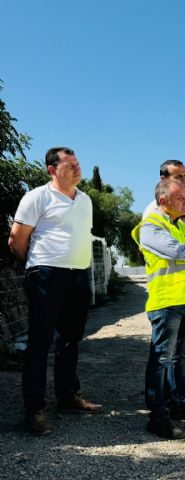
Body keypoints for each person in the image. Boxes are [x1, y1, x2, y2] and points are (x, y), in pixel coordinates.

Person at [8, 147, 102, 435]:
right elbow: (17, 240)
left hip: (79, 275)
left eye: (78, 163)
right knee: (40, 342)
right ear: (52, 169)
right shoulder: (38, 197)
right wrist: (38, 266)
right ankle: (34, 411)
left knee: (71, 339)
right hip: (46, 275)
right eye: (69, 165)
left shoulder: (85, 200)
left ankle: (68, 396)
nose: (77, 169)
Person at [132, 178, 185, 439]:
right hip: (167, 302)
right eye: (180, 198)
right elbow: (176, 251)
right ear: (164, 200)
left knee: (181, 358)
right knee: (161, 360)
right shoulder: (151, 226)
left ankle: (178, 404)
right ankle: (157, 416)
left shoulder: (181, 225)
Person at [142, 159, 185, 401]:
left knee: (181, 353)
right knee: (164, 354)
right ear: (164, 181)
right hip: (168, 295)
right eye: (178, 177)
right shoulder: (154, 213)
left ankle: (178, 391)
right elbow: (176, 250)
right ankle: (165, 400)